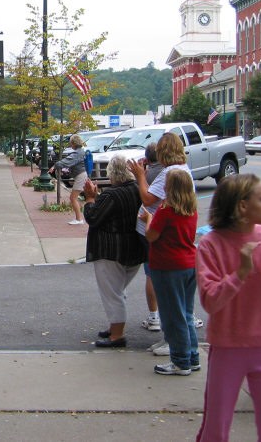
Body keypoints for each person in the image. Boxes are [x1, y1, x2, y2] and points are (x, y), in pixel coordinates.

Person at [196, 174, 261, 442]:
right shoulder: (211, 244)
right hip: (226, 349)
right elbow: (210, 302)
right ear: (242, 206)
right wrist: (239, 274)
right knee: (216, 429)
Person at [128, 133, 193, 357]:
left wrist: (140, 176)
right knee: (180, 304)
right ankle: (176, 343)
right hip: (178, 248)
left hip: (163, 244)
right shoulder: (183, 172)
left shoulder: (170, 176)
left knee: (168, 295)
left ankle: (177, 349)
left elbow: (148, 200)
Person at [82, 156, 147, 348]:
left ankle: (117, 335)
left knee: (113, 293)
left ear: (112, 172)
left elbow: (93, 217)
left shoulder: (112, 195)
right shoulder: (138, 190)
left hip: (111, 250)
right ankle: (114, 327)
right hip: (134, 248)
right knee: (119, 291)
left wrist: (91, 199)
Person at [141, 169, 199, 375]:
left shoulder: (165, 211)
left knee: (173, 316)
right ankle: (192, 356)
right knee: (187, 313)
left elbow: (151, 236)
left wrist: (148, 219)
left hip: (168, 266)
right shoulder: (191, 210)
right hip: (190, 263)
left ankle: (180, 361)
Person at [141, 142, 163, 333]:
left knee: (151, 273)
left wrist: (139, 175)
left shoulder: (152, 174)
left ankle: (154, 316)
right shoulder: (167, 172)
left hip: (153, 229)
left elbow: (146, 199)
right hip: (157, 228)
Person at [51, 134, 88, 225]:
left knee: (73, 198)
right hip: (81, 176)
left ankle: (79, 219)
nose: (70, 145)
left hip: (80, 176)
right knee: (76, 198)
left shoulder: (77, 153)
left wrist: (55, 166)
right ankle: (79, 218)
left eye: (71, 143)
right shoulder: (80, 152)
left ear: (74, 143)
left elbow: (67, 161)